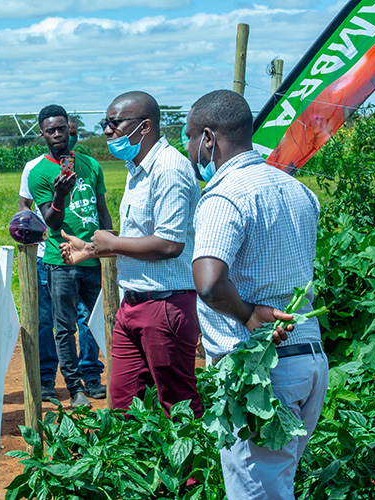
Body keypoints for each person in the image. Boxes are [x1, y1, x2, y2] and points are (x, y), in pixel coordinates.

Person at [185, 90, 327, 499]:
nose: (188, 149)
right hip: (309, 362)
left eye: (189, 138)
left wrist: (248, 315)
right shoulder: (297, 189)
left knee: (256, 493)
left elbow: (209, 282)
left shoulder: (224, 195)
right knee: (277, 485)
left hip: (262, 372)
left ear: (208, 139)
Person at [60, 91, 203, 415]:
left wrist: (110, 244)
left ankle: (188, 450)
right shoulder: (136, 169)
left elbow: (169, 244)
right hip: (134, 303)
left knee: (177, 405)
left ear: (145, 126)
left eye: (115, 123)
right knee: (124, 402)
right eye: (105, 123)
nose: (107, 130)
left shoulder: (169, 169)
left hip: (165, 305)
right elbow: (138, 240)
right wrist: (92, 249)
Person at [27, 104, 111, 409]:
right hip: (61, 260)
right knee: (64, 328)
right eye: (50, 130)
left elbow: (102, 211)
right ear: (43, 135)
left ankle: (96, 378)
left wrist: (109, 248)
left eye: (61, 128)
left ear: (69, 129)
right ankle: (74, 387)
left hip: (95, 257)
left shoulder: (91, 165)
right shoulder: (39, 173)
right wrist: (60, 194)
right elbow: (51, 222)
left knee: (100, 321)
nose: (57, 134)